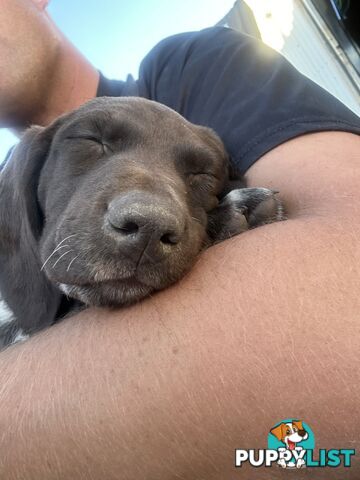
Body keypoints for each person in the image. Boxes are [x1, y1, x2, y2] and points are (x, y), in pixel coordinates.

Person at [0, 0, 359, 478]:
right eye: (90, 144)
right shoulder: (21, 187)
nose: (146, 213)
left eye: (201, 175)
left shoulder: (189, 67)